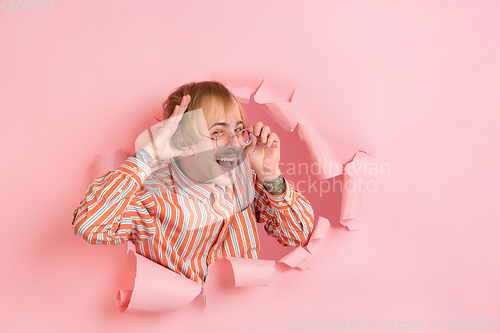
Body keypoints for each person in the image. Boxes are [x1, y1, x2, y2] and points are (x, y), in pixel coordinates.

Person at [72, 81, 314, 285]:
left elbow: (301, 235)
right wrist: (150, 153)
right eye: (219, 133)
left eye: (239, 130)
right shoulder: (150, 199)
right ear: (183, 143)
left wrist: (270, 174)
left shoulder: (246, 183)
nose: (235, 144)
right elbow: (90, 224)